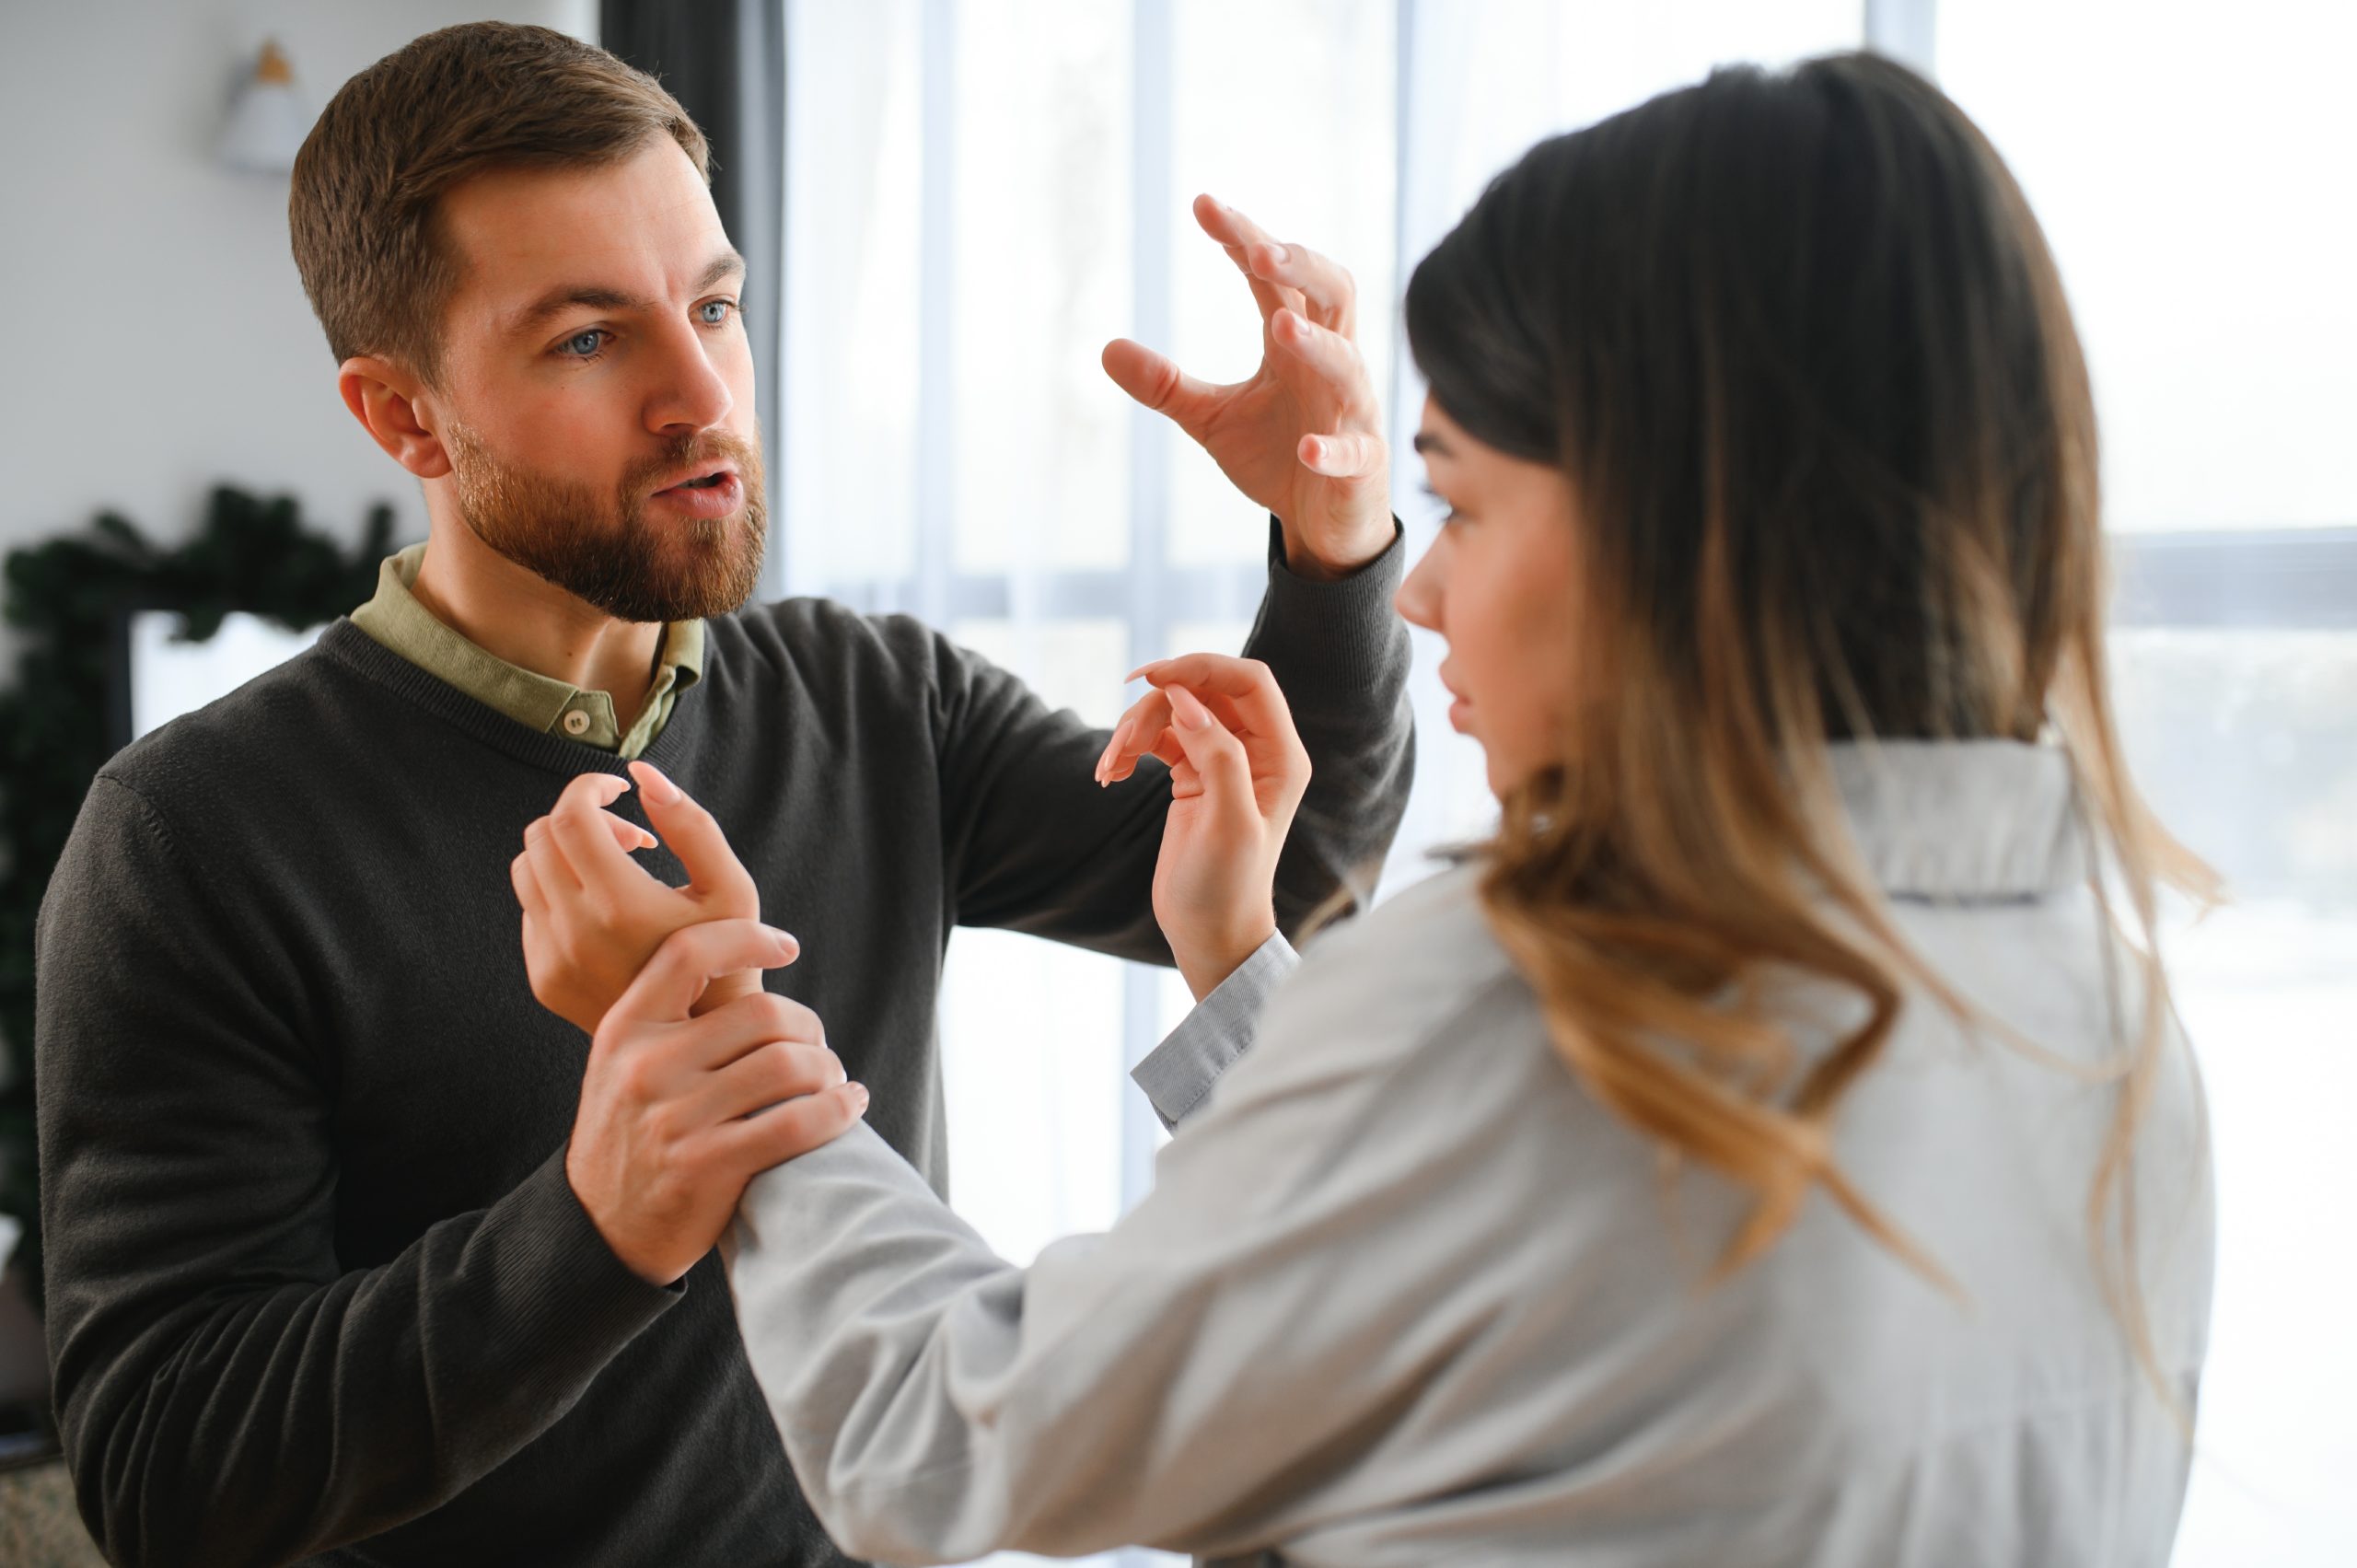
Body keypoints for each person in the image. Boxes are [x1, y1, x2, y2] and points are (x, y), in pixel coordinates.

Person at [518, 51, 2217, 1566]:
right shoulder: (2111, 1026)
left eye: (1459, 507)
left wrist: (712, 1038)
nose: (1422, 592)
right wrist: (1235, 956)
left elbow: (943, 1441)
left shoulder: (1538, 996)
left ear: (1680, 524)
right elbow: (1494, 1248)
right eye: (592, 334)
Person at [31, 21, 1412, 1567]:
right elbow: (164, 1476)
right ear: (405, 416)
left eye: (714, 306)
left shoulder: (875, 699)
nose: (703, 394)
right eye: (589, 338)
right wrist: (596, 1226)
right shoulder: (192, 837)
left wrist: (1335, 530)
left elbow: (1272, 876)